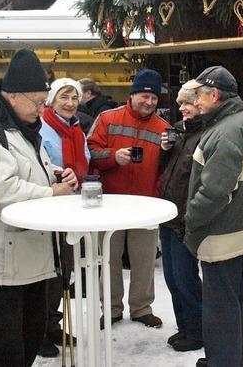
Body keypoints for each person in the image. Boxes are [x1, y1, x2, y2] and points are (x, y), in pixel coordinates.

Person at [0, 49, 78, 367]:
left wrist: (56, 174)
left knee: (32, 335)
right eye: (37, 102)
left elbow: (28, 169)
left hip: (33, 252)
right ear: (12, 95)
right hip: (2, 255)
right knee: (7, 343)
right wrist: (53, 192)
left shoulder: (23, 125)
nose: (42, 109)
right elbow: (0, 191)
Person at [181, 66, 243, 367]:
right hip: (237, 233)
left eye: (199, 95)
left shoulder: (226, 132)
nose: (196, 102)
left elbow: (215, 193)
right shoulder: (242, 121)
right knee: (231, 305)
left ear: (214, 95)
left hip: (221, 237)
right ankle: (226, 359)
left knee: (219, 311)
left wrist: (190, 219)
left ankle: (222, 362)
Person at [87, 69, 168, 329]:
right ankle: (110, 309)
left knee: (144, 260)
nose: (150, 102)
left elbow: (167, 166)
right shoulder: (107, 119)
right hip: (111, 202)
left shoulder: (163, 128)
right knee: (108, 258)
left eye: (154, 98)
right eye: (145, 96)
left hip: (146, 204)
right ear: (133, 95)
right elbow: (90, 152)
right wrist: (113, 157)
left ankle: (141, 307)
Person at [37, 77, 90, 357]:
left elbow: (85, 158)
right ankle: (40, 330)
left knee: (64, 269)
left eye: (74, 98)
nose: (70, 104)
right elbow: (40, 163)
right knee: (48, 269)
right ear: (51, 100)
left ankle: (52, 323)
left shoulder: (76, 129)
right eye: (64, 97)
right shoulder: (43, 126)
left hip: (72, 204)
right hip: (48, 205)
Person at [157, 85, 204, 352]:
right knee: (172, 278)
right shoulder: (179, 129)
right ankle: (184, 327)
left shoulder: (205, 134)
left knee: (186, 278)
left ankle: (197, 332)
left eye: (187, 103)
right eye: (180, 104)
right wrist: (164, 149)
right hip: (169, 212)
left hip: (186, 217)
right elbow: (165, 167)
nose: (183, 108)